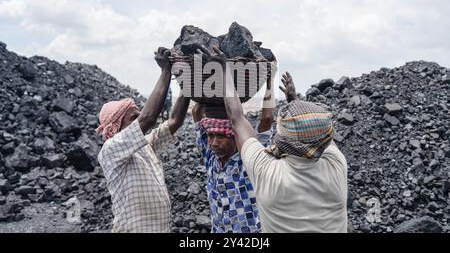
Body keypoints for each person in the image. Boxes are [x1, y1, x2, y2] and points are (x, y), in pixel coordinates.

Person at [199, 46, 348, 233]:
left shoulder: (267, 171)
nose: (213, 142)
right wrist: (294, 102)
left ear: (283, 139)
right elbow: (321, 135)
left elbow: (237, 118)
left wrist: (223, 69)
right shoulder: (337, 166)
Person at [96, 47, 190, 233]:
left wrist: (187, 85)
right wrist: (165, 71)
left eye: (138, 116)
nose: (139, 121)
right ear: (115, 127)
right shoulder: (110, 151)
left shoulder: (145, 146)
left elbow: (175, 121)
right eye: (133, 118)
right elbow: (148, 118)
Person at [191, 61, 277, 233]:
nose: (214, 143)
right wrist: (197, 83)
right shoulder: (210, 157)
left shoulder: (251, 159)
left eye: (221, 136)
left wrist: (269, 80)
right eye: (210, 136)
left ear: (235, 135)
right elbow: (196, 113)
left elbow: (267, 119)